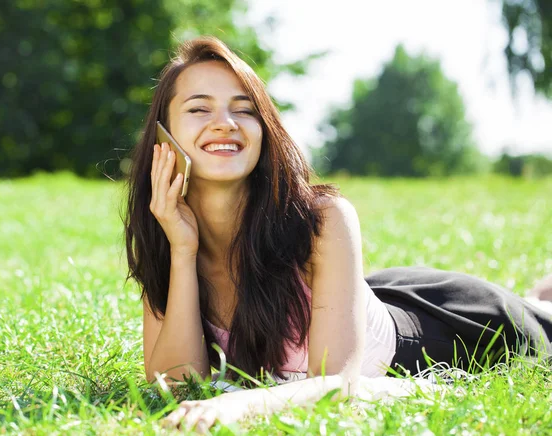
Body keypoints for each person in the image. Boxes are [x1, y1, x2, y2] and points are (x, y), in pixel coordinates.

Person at [123, 36, 552, 431]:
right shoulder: (166, 232)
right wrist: (182, 249)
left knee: (542, 320)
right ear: (163, 135)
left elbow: (337, 383)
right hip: (374, 296)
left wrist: (240, 406)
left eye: (244, 109)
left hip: (447, 327)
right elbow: (176, 383)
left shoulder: (322, 219)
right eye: (199, 109)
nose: (225, 123)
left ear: (264, 129)